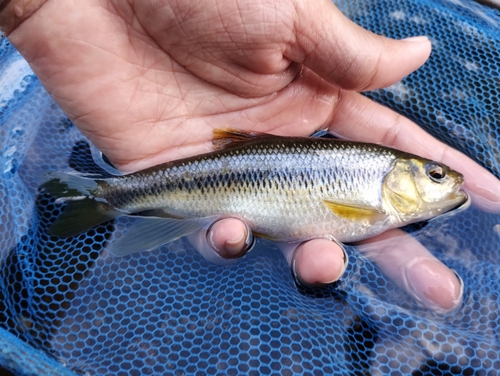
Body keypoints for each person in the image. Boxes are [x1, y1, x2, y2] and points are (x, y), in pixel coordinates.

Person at [1, 0, 499, 314]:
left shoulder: (375, 190)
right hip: (231, 172)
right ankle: (109, 199)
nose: (443, 181)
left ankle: (113, 199)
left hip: (233, 173)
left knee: (234, 234)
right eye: (434, 175)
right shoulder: (373, 196)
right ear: (402, 177)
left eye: (436, 176)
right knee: (241, 237)